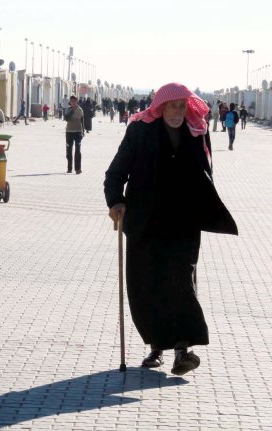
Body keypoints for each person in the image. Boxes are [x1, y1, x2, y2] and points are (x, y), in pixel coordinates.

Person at [104, 82, 238, 376]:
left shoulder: (196, 131)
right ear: (160, 106)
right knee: (147, 285)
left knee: (179, 282)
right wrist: (115, 201)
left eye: (183, 106)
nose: (179, 111)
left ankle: (182, 348)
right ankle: (156, 346)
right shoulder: (140, 131)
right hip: (145, 223)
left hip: (183, 223)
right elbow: (116, 171)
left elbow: (207, 173)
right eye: (173, 105)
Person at [63, 96, 84, 174]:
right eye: (71, 101)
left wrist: (83, 132)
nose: (73, 103)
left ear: (77, 101)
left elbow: (82, 121)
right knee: (69, 150)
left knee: (78, 149)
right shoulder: (68, 110)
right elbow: (66, 118)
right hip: (69, 132)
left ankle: (78, 169)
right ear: (70, 102)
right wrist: (72, 110)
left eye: (74, 101)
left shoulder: (80, 110)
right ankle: (69, 168)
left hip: (78, 132)